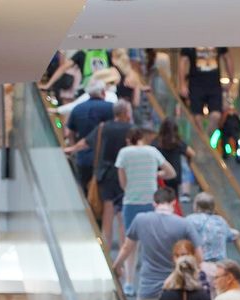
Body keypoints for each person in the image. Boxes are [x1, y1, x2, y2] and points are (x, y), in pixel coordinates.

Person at [114, 189, 203, 300]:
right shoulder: (184, 224)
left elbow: (126, 248)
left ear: (154, 203)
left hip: (148, 287)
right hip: (176, 286)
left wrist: (116, 266)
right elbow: (200, 256)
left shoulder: (140, 220)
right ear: (174, 202)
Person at [64, 99, 134, 249]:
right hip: (125, 176)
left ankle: (106, 251)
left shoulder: (103, 128)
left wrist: (71, 149)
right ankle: (122, 252)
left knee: (107, 214)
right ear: (125, 113)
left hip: (105, 175)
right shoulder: (131, 129)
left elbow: (85, 143)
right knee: (122, 216)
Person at [115, 127, 175, 234]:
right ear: (142, 138)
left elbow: (122, 183)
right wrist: (155, 174)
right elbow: (171, 173)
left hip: (131, 201)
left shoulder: (124, 153)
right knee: (150, 237)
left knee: (131, 238)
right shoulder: (152, 151)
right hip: (150, 201)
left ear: (128, 140)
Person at [65, 79, 114, 188]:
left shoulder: (77, 109)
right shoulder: (111, 107)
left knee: (84, 189)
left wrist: (74, 148)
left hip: (83, 157)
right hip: (106, 158)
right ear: (103, 92)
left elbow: (69, 132)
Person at [180, 47, 233, 131]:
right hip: (196, 85)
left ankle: (206, 138)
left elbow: (227, 57)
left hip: (214, 85)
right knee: (197, 118)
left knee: (216, 115)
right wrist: (182, 84)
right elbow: (183, 61)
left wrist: (231, 78)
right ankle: (202, 139)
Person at [186, 193, 235, 268]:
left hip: (200, 263)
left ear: (196, 206)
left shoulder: (192, 219)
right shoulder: (220, 220)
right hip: (220, 265)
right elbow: (231, 235)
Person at [153, 118, 193, 196]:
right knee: (174, 199)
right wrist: (189, 162)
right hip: (175, 175)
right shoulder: (178, 143)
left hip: (161, 175)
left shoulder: (156, 142)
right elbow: (191, 153)